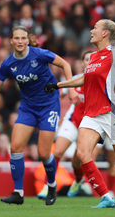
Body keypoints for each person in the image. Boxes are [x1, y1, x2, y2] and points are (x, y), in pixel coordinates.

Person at [45, 12, 115, 208]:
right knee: (82, 154)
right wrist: (58, 85)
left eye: (95, 27)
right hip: (92, 114)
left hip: (113, 113)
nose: (91, 30)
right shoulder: (94, 58)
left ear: (105, 33)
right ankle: (106, 197)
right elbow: (83, 78)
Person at [0, 25, 79, 206]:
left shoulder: (40, 54)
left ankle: (51, 185)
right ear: (11, 41)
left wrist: (71, 90)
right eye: (16, 38)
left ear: (28, 40)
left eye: (22, 38)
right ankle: (18, 193)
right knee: (15, 148)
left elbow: (65, 64)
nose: (19, 41)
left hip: (49, 106)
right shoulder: (8, 64)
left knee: (43, 153)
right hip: (27, 107)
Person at [37, 50, 93, 199]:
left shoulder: (101, 80)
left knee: (77, 162)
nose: (89, 62)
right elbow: (59, 94)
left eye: (92, 59)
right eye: (86, 59)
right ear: (82, 63)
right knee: (56, 153)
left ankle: (78, 181)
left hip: (89, 127)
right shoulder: (74, 79)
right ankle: (46, 187)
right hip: (72, 122)